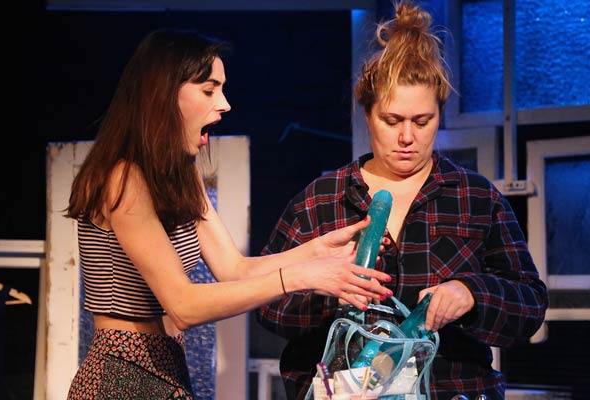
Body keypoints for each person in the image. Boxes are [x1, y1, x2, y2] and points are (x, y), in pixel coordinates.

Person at [64, 28, 393, 399]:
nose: (224, 104)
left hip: (167, 365)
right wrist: (301, 276)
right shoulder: (123, 179)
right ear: (163, 94)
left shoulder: (183, 174)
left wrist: (317, 252)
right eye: (209, 90)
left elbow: (234, 269)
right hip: (120, 374)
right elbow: (184, 306)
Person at [256, 1, 549, 399]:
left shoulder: (475, 197)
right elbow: (266, 304)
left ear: (439, 115)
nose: (407, 137)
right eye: (392, 121)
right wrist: (327, 290)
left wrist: (472, 293)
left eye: (422, 121)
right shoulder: (322, 199)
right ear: (367, 115)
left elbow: (530, 305)